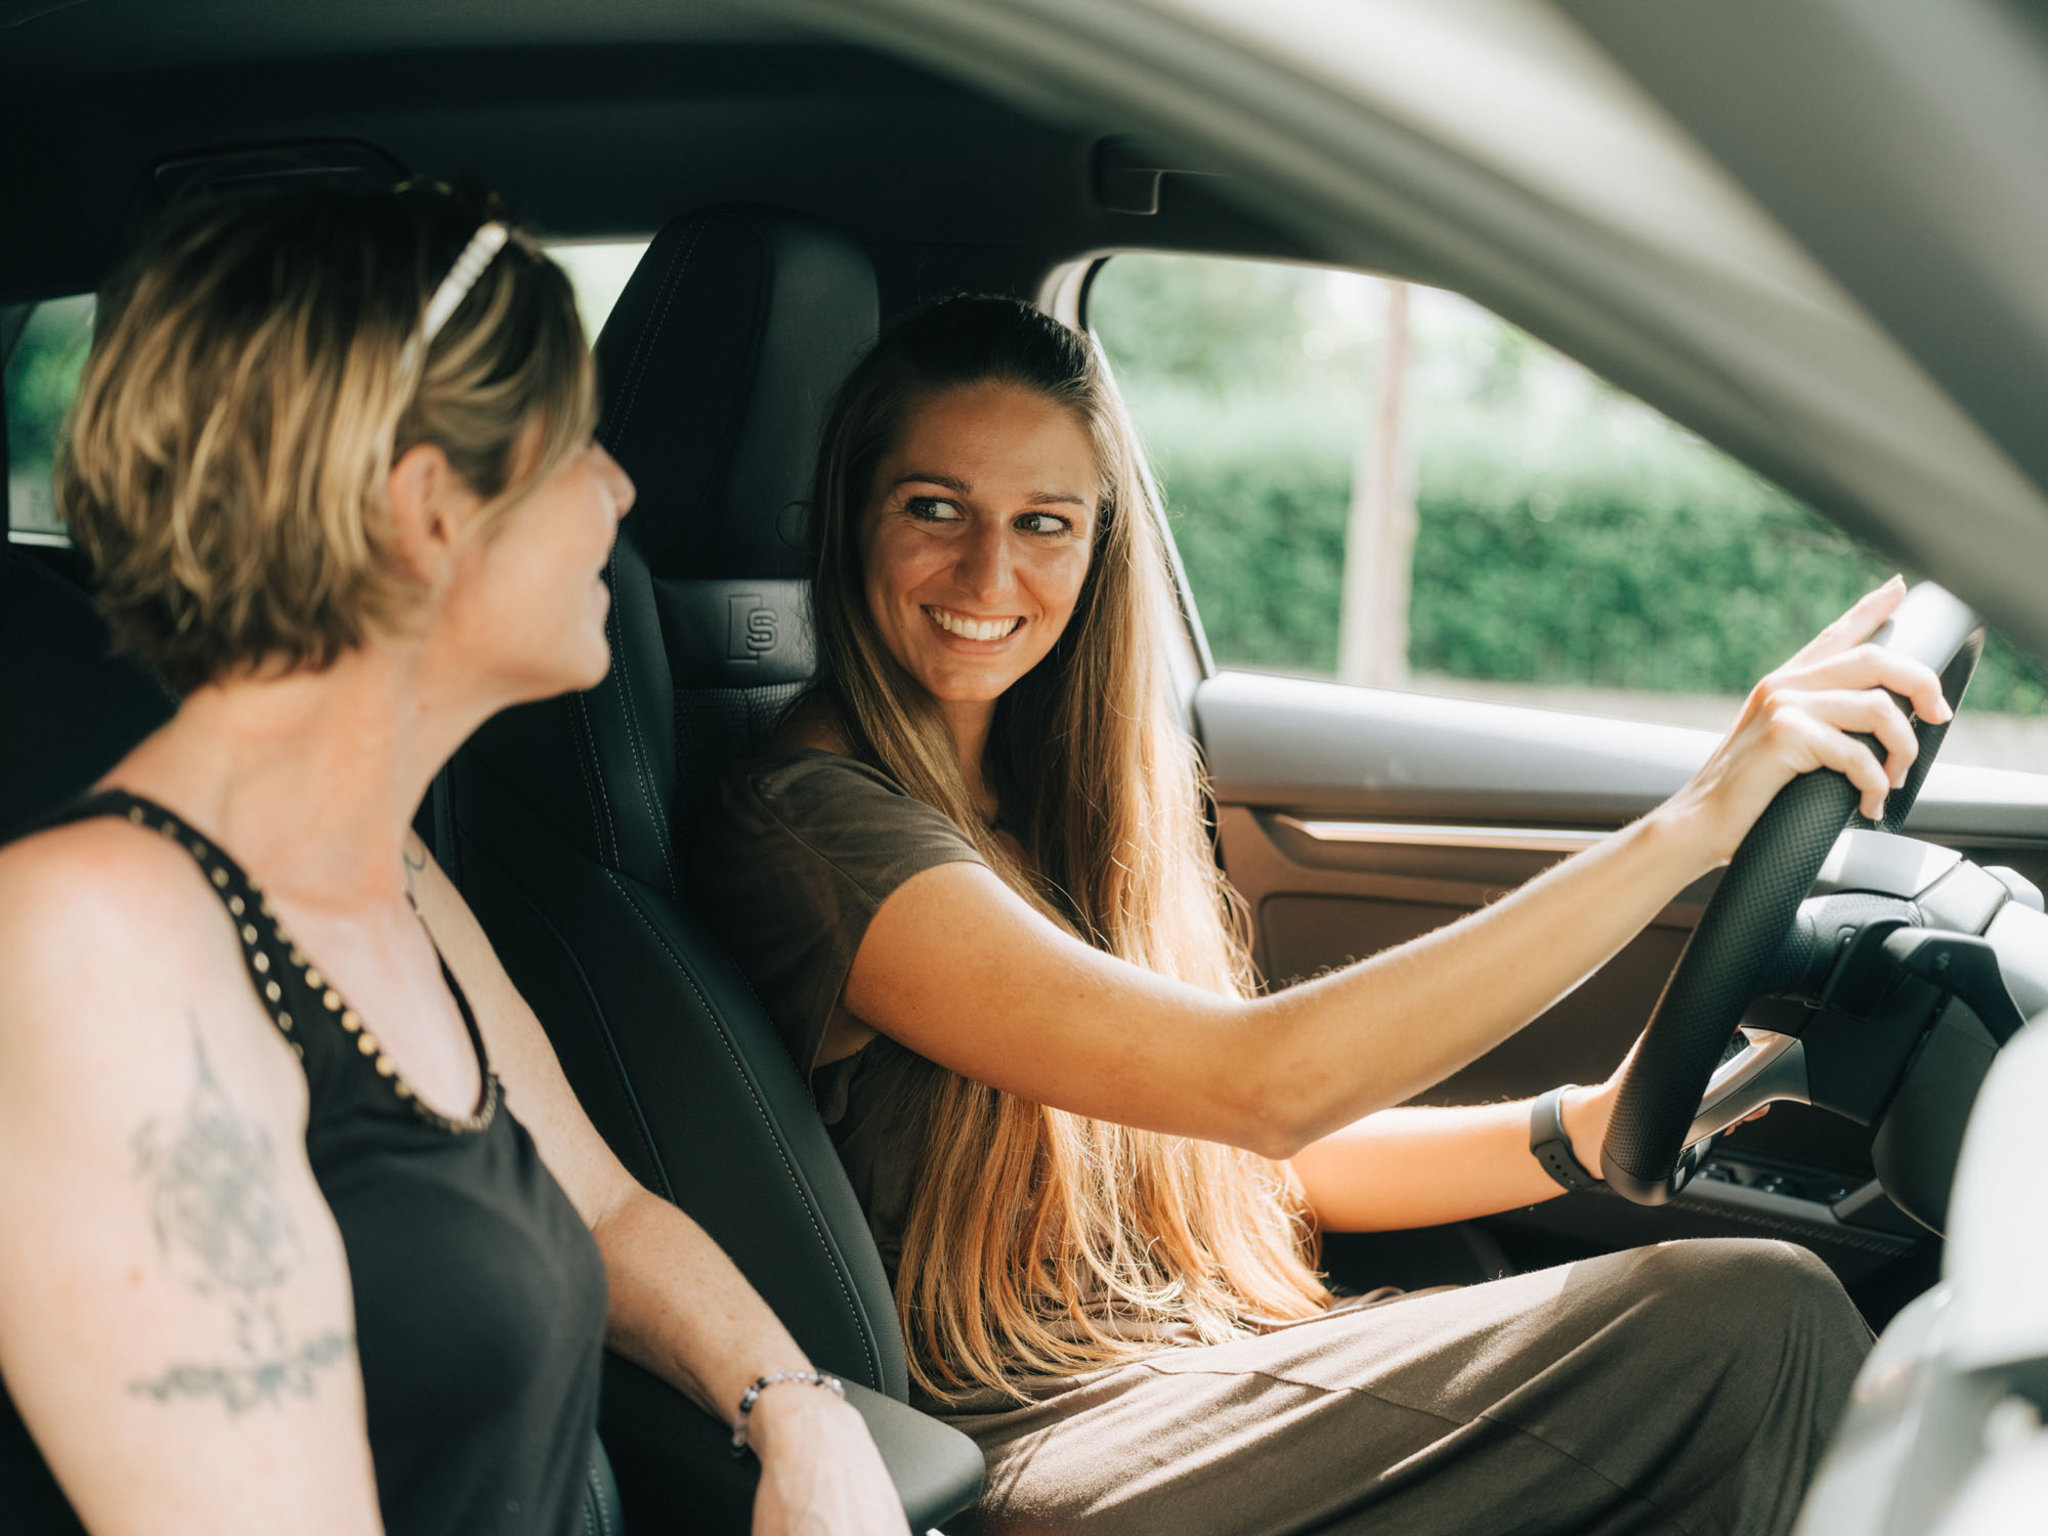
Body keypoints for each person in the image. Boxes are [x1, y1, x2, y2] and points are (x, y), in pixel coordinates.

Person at [690, 295, 1952, 1534]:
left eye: (1043, 522)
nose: (988, 571)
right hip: (1030, 1431)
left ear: (1096, 544)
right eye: (932, 509)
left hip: (1179, 1360)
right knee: (1750, 1324)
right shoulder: (812, 831)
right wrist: (1687, 828)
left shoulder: (1042, 799)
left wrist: (1577, 1128)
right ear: (849, 516)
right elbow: (1260, 1086)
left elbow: (1245, 1161)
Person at [0, 184, 910, 1535]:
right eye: (578, 449)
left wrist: (797, 1410)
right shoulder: (95, 948)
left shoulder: (395, 880)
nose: (620, 488)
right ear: (431, 509)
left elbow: (601, 1211)